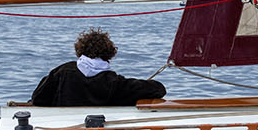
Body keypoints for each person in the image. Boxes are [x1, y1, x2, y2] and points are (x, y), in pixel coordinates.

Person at [31, 27, 167, 107]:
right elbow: (159, 89)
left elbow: (38, 98)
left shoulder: (63, 71)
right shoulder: (113, 82)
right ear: (110, 53)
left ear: (79, 50)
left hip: (64, 128)